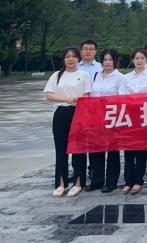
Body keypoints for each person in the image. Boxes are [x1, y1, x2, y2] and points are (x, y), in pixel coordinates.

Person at [44, 47, 91, 197]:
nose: (70, 59)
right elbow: (49, 95)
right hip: (60, 113)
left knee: (78, 149)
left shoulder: (83, 75)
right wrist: (67, 99)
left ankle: (78, 183)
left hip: (78, 113)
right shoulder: (57, 75)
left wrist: (78, 103)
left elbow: (87, 95)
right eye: (67, 57)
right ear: (64, 59)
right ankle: (61, 183)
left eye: (73, 56)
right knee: (61, 149)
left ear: (78, 59)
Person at [87, 48, 125, 193]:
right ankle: (97, 180)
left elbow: (122, 98)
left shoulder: (120, 77)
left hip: (112, 117)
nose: (107, 62)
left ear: (115, 61)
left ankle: (111, 181)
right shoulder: (96, 75)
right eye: (105, 59)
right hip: (96, 117)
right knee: (96, 149)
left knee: (112, 150)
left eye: (110, 59)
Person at [121, 48, 147, 194]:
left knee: (141, 150)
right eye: (137, 58)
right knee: (128, 150)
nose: (139, 61)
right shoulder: (126, 77)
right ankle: (128, 181)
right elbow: (121, 95)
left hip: (144, 115)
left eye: (142, 58)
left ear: (146, 60)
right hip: (129, 116)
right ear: (132, 60)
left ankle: (138, 180)